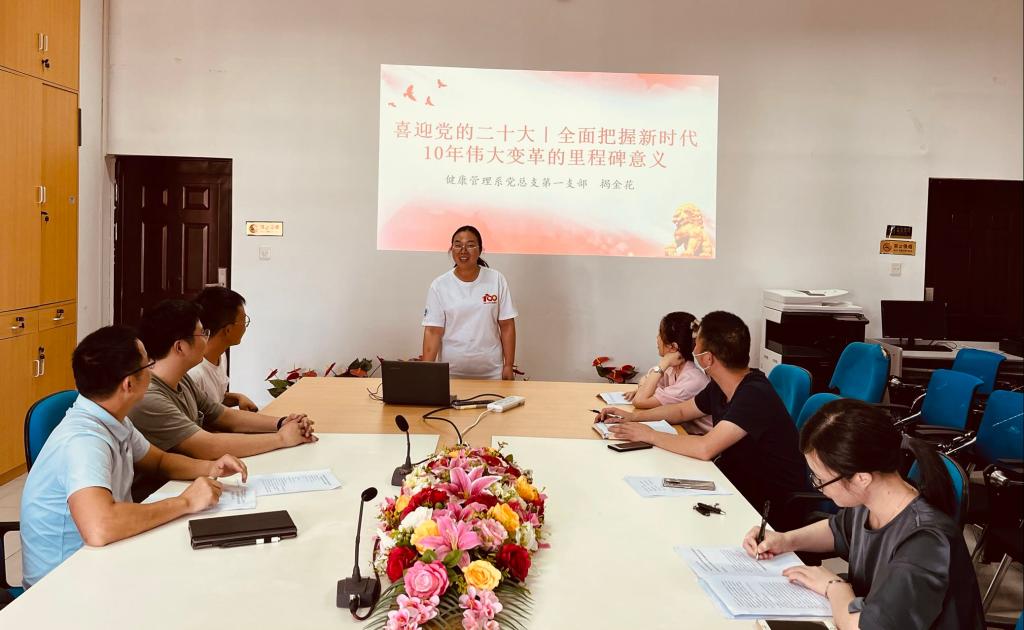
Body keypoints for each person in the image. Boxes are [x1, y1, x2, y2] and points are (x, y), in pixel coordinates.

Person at [19, 326, 248, 587]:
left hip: (102, 557)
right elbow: (100, 526)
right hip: (61, 584)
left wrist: (212, 468)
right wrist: (186, 502)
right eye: (148, 365)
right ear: (129, 384)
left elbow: (159, 461)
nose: (153, 370)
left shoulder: (113, 418)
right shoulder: (84, 441)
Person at [743, 399, 985, 629]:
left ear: (861, 478)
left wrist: (834, 587)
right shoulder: (870, 501)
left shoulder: (925, 542)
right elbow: (837, 530)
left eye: (821, 479)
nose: (817, 486)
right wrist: (786, 540)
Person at [598, 310, 808, 529]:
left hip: (770, 510)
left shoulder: (754, 394)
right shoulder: (722, 385)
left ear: (708, 358)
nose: (692, 349)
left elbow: (705, 447)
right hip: (738, 487)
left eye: (696, 343)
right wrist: (634, 417)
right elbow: (681, 411)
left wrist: (649, 435)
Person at [130, 299, 317, 462]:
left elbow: (223, 416)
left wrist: (282, 422)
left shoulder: (181, 379)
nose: (207, 339)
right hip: (164, 487)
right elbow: (207, 446)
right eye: (203, 333)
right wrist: (281, 438)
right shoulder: (150, 397)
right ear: (180, 347)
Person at [421, 225, 517, 380]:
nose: (463, 250)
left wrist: (508, 365)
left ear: (480, 250)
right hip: (451, 373)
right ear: (451, 249)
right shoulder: (439, 285)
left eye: (470, 245)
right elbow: (433, 331)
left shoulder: (496, 279)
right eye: (458, 245)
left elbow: (507, 325)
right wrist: (426, 373)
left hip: (492, 372)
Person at [623, 311, 711, 433]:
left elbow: (640, 400)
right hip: (684, 432)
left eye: (660, 334)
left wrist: (663, 363)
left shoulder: (691, 380)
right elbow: (643, 383)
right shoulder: (673, 369)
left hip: (703, 439)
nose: (657, 338)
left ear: (673, 347)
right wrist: (645, 389)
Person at [189, 286, 258, 411]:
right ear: (228, 330)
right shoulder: (194, 374)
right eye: (243, 321)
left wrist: (238, 398)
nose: (245, 327)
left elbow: (214, 400)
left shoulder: (220, 355)